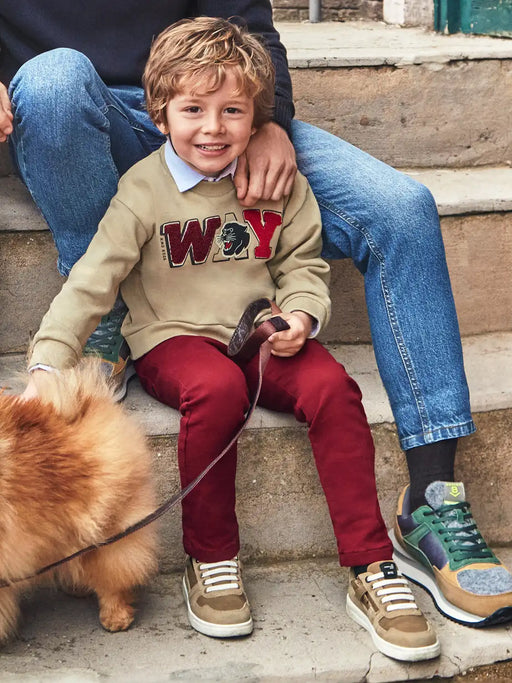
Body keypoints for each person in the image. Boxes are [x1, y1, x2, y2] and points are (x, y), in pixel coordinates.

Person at [0, 1, 510, 625]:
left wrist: (270, 120)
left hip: (217, 100)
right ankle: (109, 325)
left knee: (401, 209)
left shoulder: (233, 122)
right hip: (76, 115)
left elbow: (252, 35)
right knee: (52, 81)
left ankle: (431, 497)